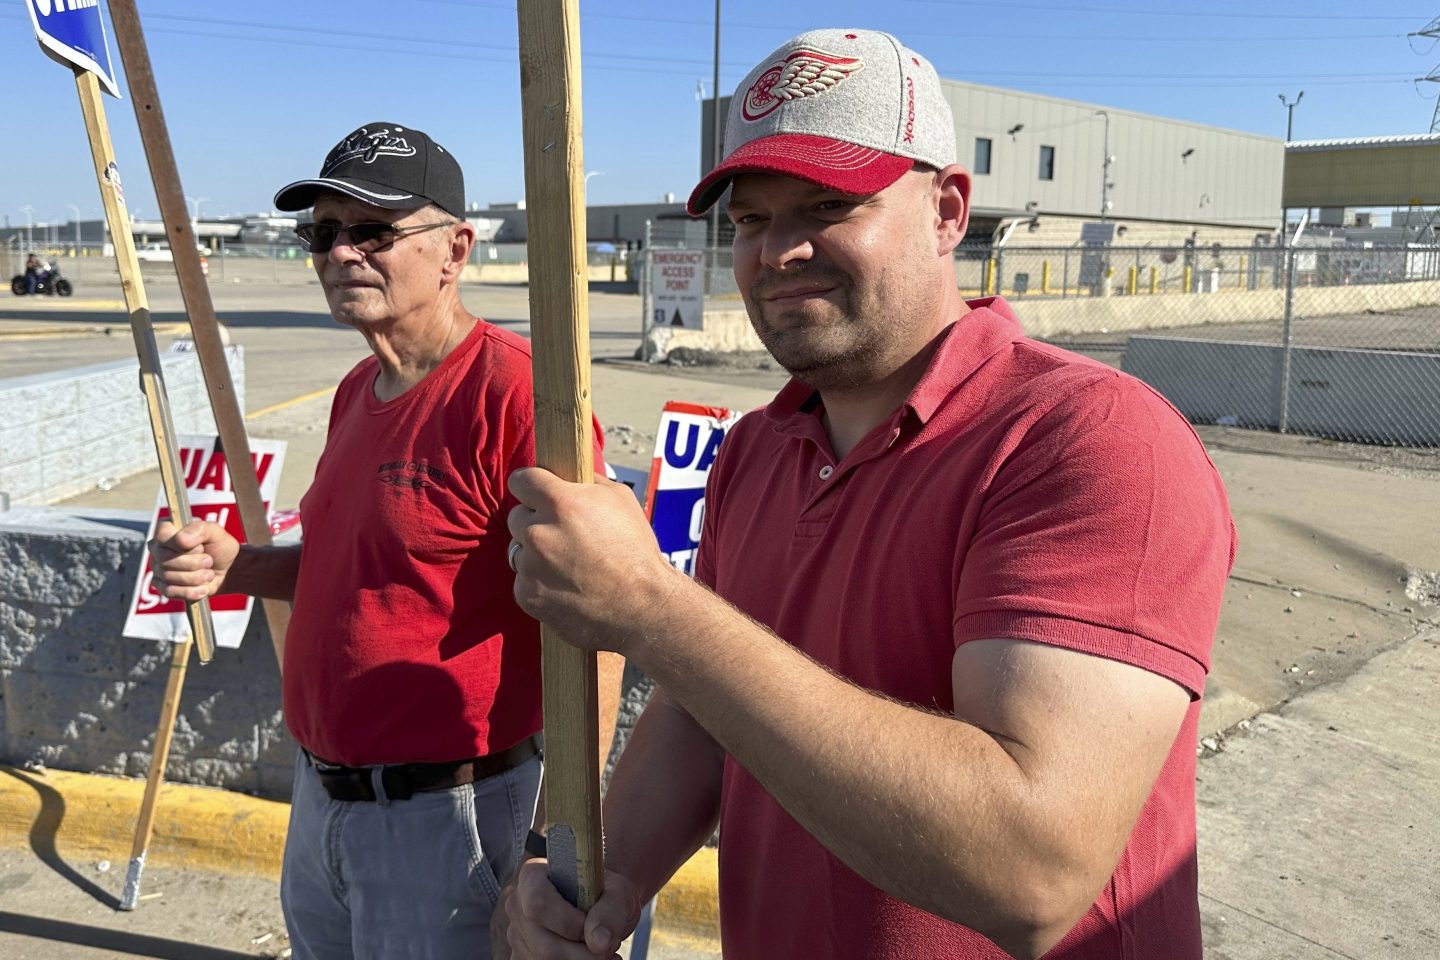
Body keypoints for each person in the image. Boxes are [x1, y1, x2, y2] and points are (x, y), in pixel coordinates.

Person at [500, 29, 1234, 960]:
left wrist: (650, 607)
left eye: (829, 203)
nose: (779, 250)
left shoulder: (1086, 439)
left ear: (947, 210)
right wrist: (596, 885)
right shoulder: (756, 453)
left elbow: (1032, 869)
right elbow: (700, 713)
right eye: (751, 220)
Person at [146, 121, 622, 960]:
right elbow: (363, 574)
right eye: (322, 234)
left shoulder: (519, 396)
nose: (340, 254)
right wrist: (238, 566)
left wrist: (561, 841)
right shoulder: (355, 390)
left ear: (456, 249)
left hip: (451, 823)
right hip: (322, 804)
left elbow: (603, 624)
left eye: (372, 230)